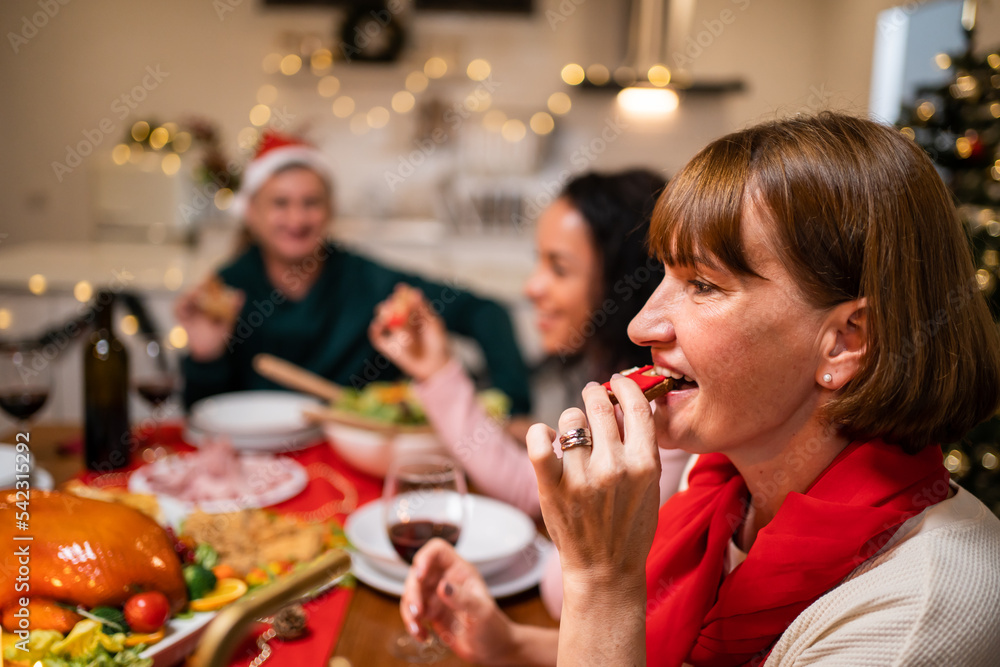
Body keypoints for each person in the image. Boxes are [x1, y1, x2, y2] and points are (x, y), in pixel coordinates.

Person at [399, 113, 1000, 666]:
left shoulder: (910, 617)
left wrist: (602, 581)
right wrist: (511, 645)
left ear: (844, 341)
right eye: (664, 273)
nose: (643, 325)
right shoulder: (714, 484)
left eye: (704, 285)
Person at [370, 170, 691, 618]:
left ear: (626, 280)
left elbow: (531, 492)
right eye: (539, 262)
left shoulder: (657, 401)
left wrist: (439, 372)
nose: (532, 287)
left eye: (559, 268)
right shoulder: (611, 373)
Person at [175, 132, 531, 415]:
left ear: (330, 210)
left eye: (310, 203)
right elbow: (201, 414)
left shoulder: (370, 281)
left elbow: (487, 312)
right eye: (280, 203)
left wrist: (512, 407)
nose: (297, 220)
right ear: (251, 212)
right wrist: (205, 357)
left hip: (361, 455)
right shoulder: (226, 290)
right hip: (261, 466)